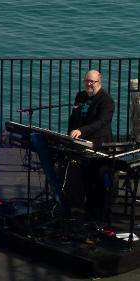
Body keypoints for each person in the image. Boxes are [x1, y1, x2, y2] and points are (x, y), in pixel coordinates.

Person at [68, 69, 114, 220]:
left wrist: (81, 130)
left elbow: (101, 123)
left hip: (98, 142)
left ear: (99, 82)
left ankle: (94, 209)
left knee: (94, 174)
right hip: (80, 140)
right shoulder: (80, 96)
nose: (89, 84)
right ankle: (75, 204)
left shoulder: (106, 100)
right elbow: (73, 118)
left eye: (92, 82)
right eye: (87, 81)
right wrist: (69, 135)